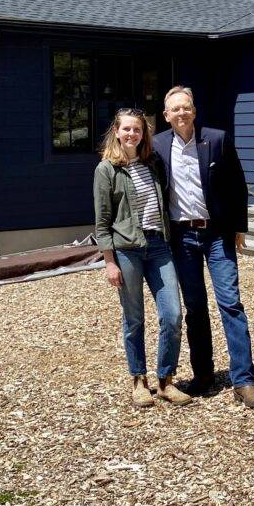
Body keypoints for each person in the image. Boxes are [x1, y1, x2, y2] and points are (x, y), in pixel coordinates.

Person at [153, 86, 254, 409]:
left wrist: (239, 227)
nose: (181, 113)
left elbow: (236, 183)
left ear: (194, 110)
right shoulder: (159, 145)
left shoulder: (216, 139)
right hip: (182, 237)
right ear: (166, 116)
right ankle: (204, 375)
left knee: (230, 303)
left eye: (186, 107)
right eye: (175, 109)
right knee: (195, 307)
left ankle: (243, 380)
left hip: (216, 234)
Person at [94, 108, 192, 408]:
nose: (132, 134)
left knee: (173, 315)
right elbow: (102, 221)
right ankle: (138, 379)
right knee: (134, 319)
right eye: (127, 129)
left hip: (158, 246)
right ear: (117, 131)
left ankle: (165, 380)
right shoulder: (107, 169)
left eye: (137, 130)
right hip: (127, 250)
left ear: (143, 133)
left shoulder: (152, 163)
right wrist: (109, 262)